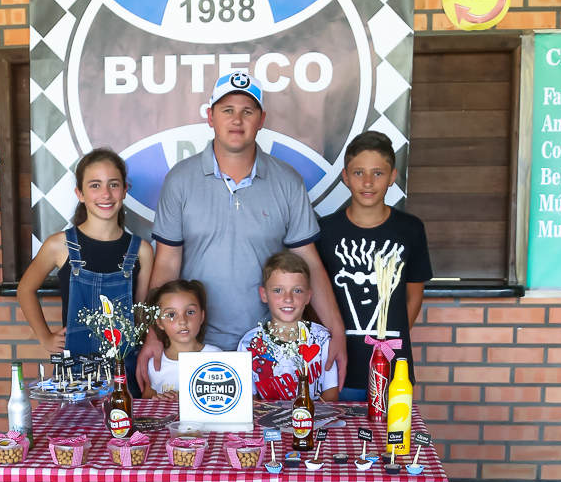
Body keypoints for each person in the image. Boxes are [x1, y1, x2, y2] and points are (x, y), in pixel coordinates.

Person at [137, 70, 347, 389]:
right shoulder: (179, 180)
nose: (237, 120)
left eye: (247, 111)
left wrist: (337, 332)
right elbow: (166, 262)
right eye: (227, 110)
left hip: (267, 347)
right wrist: (153, 334)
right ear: (210, 117)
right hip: (194, 343)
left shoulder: (288, 181)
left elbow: (310, 262)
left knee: (268, 423)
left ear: (261, 120)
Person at [18, 149, 154, 388]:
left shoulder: (142, 250)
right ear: (79, 194)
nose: (106, 194)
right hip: (73, 371)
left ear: (125, 190)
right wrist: (45, 337)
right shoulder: (59, 245)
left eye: (113, 184)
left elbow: (139, 313)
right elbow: (25, 289)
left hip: (124, 368)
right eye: (95, 185)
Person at [315, 130, 432, 402]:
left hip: (392, 368)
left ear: (392, 177)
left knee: (392, 428)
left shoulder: (411, 229)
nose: (367, 182)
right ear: (345, 177)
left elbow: (414, 296)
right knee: (336, 430)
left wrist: (386, 340)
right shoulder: (325, 231)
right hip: (336, 369)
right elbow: (314, 297)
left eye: (378, 173)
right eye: (358, 173)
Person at [237, 251, 339, 402]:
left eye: (297, 291)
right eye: (278, 290)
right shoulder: (249, 343)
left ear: (308, 296)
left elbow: (331, 393)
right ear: (264, 294)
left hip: (313, 416)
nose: (288, 299)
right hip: (267, 417)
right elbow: (249, 399)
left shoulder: (321, 338)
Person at [141, 279, 219, 397]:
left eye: (190, 312)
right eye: (171, 315)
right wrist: (159, 400)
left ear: (202, 316)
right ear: (159, 322)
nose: (182, 321)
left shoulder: (216, 356)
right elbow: (147, 400)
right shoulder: (154, 363)